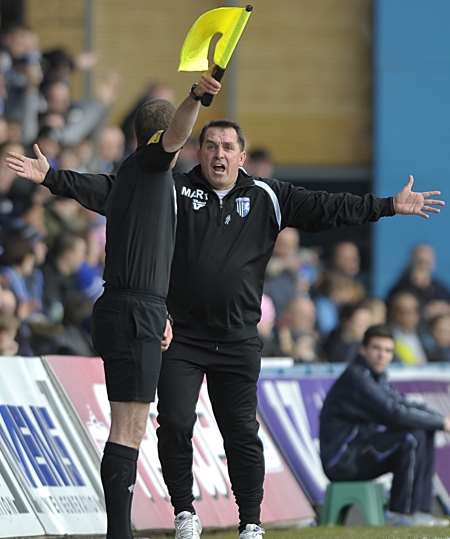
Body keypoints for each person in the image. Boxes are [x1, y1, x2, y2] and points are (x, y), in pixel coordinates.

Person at [6, 120, 445, 539]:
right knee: (175, 423)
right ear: (199, 151)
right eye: (211, 146)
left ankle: (250, 523)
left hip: (238, 339)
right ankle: (184, 513)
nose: (219, 154)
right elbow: (115, 192)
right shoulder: (173, 189)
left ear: (242, 155)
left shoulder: (268, 196)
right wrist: (54, 178)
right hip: (181, 336)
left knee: (240, 432)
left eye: (227, 147)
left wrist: (387, 206)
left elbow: (329, 206)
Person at [6, 74, 221, 539]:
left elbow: (89, 187)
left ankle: (119, 533)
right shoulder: (151, 167)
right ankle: (119, 534)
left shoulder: (129, 179)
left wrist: (52, 178)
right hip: (133, 310)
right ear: (162, 142)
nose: (185, 150)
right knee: (128, 429)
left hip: (130, 308)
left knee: (131, 427)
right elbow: (177, 135)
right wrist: (196, 97)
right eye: (178, 144)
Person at [320, 324, 450, 527]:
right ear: (363, 350)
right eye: (376, 349)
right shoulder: (357, 378)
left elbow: (404, 404)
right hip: (342, 459)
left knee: (424, 431)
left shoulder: (375, 378)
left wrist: (439, 420)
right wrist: (442, 422)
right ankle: (401, 514)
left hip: (359, 450)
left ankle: (421, 512)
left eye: (388, 350)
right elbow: (395, 413)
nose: (382, 355)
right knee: (410, 438)